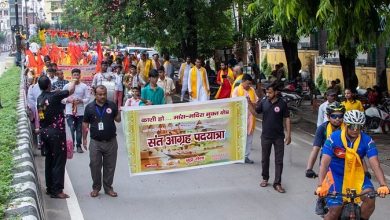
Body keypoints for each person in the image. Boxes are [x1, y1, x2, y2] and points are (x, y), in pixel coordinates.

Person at [316, 110, 389, 220]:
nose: (355, 130)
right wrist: (320, 185)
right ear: (345, 124)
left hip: (357, 175)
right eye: (352, 126)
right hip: (336, 175)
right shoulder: (333, 138)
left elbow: (375, 164)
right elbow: (324, 164)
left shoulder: (367, 141)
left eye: (359, 127)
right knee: (335, 209)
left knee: (370, 198)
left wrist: (383, 184)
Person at [37, 75, 76, 198]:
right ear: (49, 85)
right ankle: (57, 190)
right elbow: (71, 90)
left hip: (44, 132)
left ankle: (50, 187)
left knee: (49, 160)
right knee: (59, 161)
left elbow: (42, 115)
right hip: (56, 133)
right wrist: (74, 80)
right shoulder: (54, 96)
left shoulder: (40, 98)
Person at [82, 85, 121, 198]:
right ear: (95, 94)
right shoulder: (89, 107)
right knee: (94, 165)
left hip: (111, 142)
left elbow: (118, 120)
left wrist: (119, 111)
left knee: (110, 166)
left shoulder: (112, 105)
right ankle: (96, 188)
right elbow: (85, 123)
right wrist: (84, 139)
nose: (102, 96)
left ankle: (108, 188)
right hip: (95, 143)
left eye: (104, 94)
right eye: (100, 94)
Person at [254, 83, 291, 193]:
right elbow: (256, 112)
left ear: (276, 92)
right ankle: (265, 178)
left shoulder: (282, 103)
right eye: (266, 92)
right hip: (265, 136)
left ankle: (277, 183)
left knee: (279, 161)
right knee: (265, 159)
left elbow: (287, 118)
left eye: (270, 92)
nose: (268, 94)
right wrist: (248, 104)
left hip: (279, 137)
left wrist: (289, 134)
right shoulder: (264, 102)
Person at [306, 102, 346, 178]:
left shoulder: (348, 129)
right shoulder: (322, 128)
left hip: (344, 161)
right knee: (323, 187)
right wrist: (309, 169)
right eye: (334, 116)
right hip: (327, 160)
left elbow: (356, 149)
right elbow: (315, 149)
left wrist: (365, 170)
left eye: (340, 116)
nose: (337, 119)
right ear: (328, 116)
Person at [232, 74, 258, 164]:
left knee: (249, 137)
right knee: (239, 137)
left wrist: (250, 102)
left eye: (250, 84)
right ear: (243, 81)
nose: (249, 86)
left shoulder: (252, 90)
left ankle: (246, 156)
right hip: (240, 117)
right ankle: (237, 157)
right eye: (248, 83)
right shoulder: (236, 90)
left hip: (250, 117)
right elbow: (234, 104)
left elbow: (256, 103)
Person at [63, 69, 90, 153]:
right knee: (71, 128)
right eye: (74, 75)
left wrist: (81, 100)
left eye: (77, 75)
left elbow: (88, 98)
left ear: (80, 76)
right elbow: (61, 99)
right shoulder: (67, 86)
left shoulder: (84, 86)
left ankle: (78, 146)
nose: (76, 77)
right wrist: (68, 100)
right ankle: (72, 146)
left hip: (80, 111)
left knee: (79, 129)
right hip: (69, 111)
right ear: (72, 76)